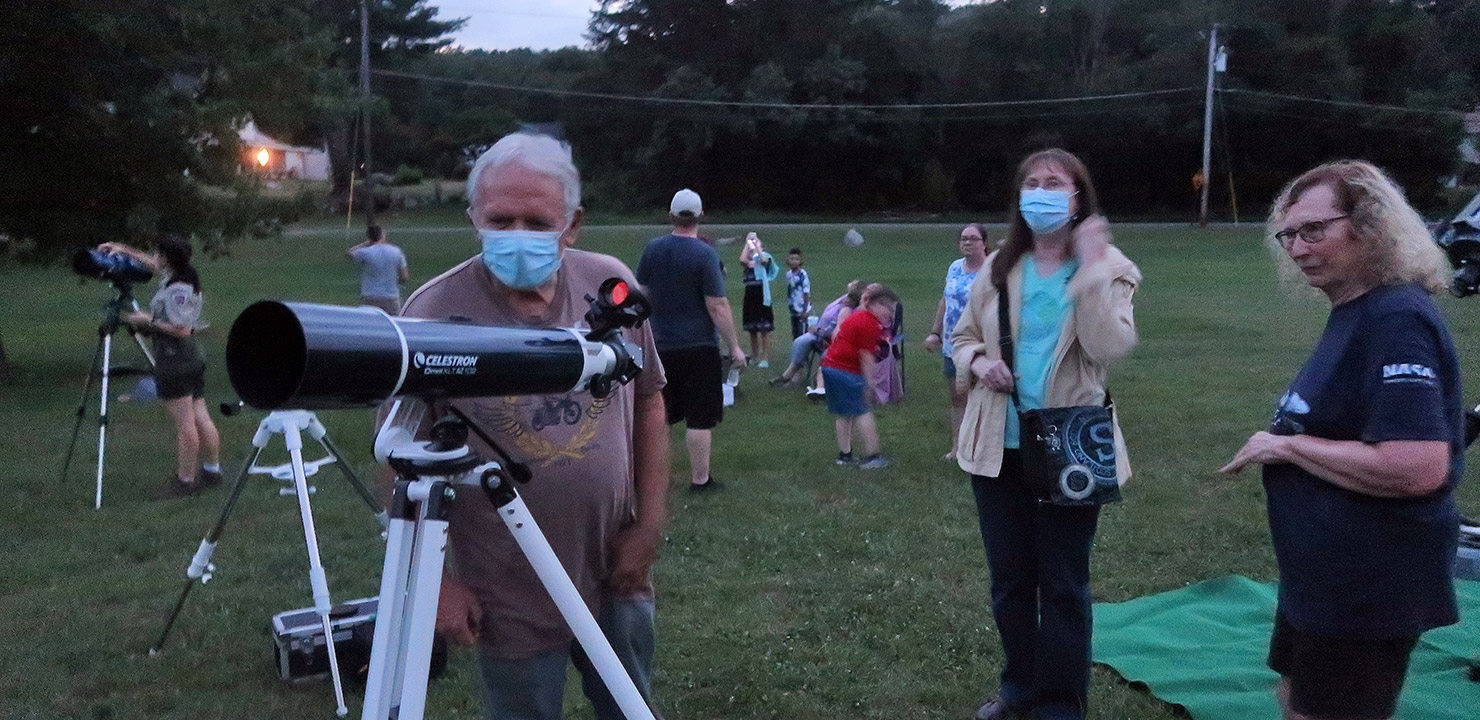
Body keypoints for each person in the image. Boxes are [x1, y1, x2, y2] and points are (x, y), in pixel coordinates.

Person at [403, 132, 670, 720]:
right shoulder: (431, 313)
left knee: (629, 706)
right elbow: (398, 456)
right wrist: (436, 584)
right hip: (506, 585)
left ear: (571, 225)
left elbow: (650, 401)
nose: (516, 235)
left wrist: (649, 525)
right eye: (501, 219)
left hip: (614, 566)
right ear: (474, 216)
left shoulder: (609, 285)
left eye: (536, 220)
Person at [1220, 160, 1461, 720]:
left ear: (1369, 226)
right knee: (1297, 699)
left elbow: (1416, 465)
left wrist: (1286, 447)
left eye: (1314, 230)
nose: (1298, 248)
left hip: (1369, 579)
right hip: (1324, 575)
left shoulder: (1396, 318)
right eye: (1289, 234)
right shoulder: (1354, 312)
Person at [950, 148, 1140, 720]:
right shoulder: (1000, 265)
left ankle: (1060, 705)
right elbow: (961, 338)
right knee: (1010, 584)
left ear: (1077, 197)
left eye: (1053, 183)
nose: (1040, 191)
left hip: (1070, 445)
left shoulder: (1112, 267)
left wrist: (1090, 270)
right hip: (997, 445)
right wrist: (980, 363)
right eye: (1031, 182)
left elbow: (1110, 346)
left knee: (1063, 585)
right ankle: (1019, 691)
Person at [636, 189, 747, 491]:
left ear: (671, 216)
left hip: (659, 347)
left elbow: (640, 295)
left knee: (659, 416)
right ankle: (700, 479)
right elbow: (717, 305)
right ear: (700, 216)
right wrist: (735, 346)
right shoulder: (704, 253)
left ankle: (651, 480)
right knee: (699, 417)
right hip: (699, 346)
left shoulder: (653, 249)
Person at [98, 236, 223, 499]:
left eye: (159, 254)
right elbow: (152, 264)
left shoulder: (178, 289)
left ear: (169, 258)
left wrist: (148, 320)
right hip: (191, 357)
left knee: (186, 423)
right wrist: (125, 249)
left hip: (174, 357)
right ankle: (212, 470)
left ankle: (185, 481)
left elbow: (181, 329)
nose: (155, 258)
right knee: (200, 414)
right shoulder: (183, 275)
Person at [924, 224, 989, 461]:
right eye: (964, 239)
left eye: (973, 239)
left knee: (981, 398)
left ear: (984, 243)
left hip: (981, 345)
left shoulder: (991, 270)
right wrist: (935, 332)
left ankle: (981, 448)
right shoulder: (954, 267)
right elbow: (945, 301)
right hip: (953, 345)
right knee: (958, 397)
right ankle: (958, 447)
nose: (968, 243)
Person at [820, 284, 897, 469]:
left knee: (844, 413)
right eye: (887, 307)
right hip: (845, 370)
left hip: (830, 367)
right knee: (863, 411)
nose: (890, 313)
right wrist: (870, 384)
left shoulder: (859, 316)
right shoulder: (868, 323)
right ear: (872, 304)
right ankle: (872, 456)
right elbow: (866, 357)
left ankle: (844, 455)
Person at [769, 279, 863, 390]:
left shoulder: (851, 309)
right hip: (819, 332)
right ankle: (789, 374)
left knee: (829, 355)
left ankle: (820, 384)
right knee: (801, 341)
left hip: (832, 339)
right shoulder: (842, 299)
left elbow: (838, 331)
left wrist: (819, 331)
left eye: (855, 283)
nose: (851, 283)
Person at [346, 224, 409, 313]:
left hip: (371, 295)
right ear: (383, 235)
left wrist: (366, 243)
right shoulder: (397, 251)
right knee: (394, 322)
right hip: (391, 296)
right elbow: (405, 277)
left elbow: (349, 253)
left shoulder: (366, 252)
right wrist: (398, 282)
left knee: (371, 324)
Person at [739, 232, 779, 367]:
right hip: (750, 295)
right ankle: (755, 356)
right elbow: (742, 260)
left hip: (762, 295)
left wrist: (756, 246)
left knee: (764, 329)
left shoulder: (765, 259)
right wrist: (747, 243)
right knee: (752, 329)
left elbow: (763, 260)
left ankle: (765, 358)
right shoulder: (748, 263)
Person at [784, 247, 811, 339]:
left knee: (802, 332)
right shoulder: (788, 275)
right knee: (795, 332)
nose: (794, 261)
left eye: (797, 259)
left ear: (800, 261)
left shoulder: (802, 275)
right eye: (792, 259)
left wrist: (804, 310)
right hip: (793, 308)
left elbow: (806, 292)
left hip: (802, 308)